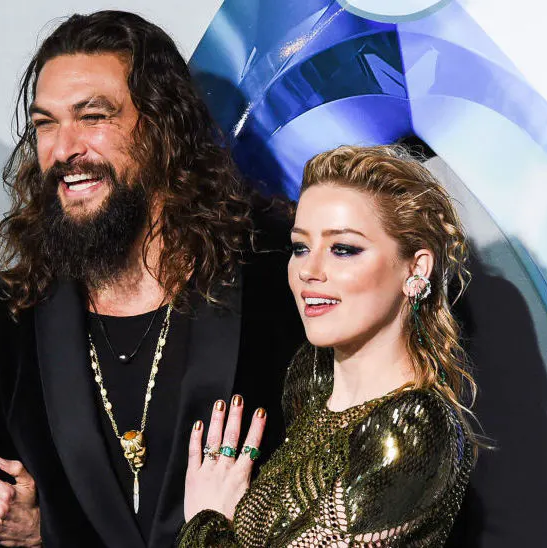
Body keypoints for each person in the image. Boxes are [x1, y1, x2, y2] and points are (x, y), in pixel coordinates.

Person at [0, 10, 305, 548]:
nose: (63, 149)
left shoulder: (278, 278)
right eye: (45, 124)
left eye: (93, 117)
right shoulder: (2, 318)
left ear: (161, 127)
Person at [178, 145, 478, 547]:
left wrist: (204, 521)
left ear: (416, 268)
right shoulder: (310, 379)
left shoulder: (413, 427)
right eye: (300, 247)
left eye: (344, 249)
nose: (309, 270)